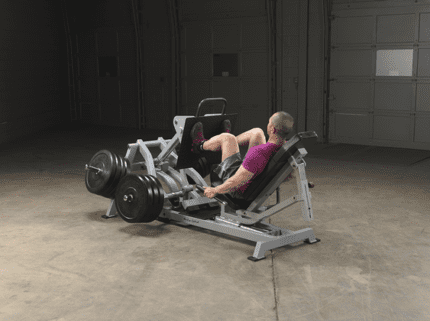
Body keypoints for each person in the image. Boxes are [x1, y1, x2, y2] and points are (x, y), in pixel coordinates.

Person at [190, 111, 295, 200]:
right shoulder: (286, 148)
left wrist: (215, 190)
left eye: (269, 122)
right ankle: (222, 143)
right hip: (254, 175)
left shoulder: (259, 153)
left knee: (227, 137)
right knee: (257, 132)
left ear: (272, 129)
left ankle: (199, 145)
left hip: (237, 190)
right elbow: (291, 172)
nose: (267, 124)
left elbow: (238, 180)